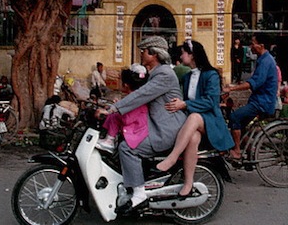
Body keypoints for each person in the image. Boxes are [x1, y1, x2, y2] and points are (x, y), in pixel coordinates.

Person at [99, 36, 186, 213]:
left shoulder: (163, 74)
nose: (140, 53)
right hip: (156, 124)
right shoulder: (155, 73)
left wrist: (114, 108)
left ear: (153, 54)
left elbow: (141, 95)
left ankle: (139, 193)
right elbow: (137, 93)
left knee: (127, 148)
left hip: (166, 128)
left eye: (143, 51)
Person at [155, 40, 233, 197]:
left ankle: (173, 157)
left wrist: (185, 104)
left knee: (195, 117)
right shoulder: (188, 76)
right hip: (195, 124)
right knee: (193, 138)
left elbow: (211, 102)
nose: (181, 55)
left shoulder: (211, 75)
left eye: (183, 52)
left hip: (211, 121)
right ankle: (188, 183)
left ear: (192, 55)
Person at [223, 32, 278, 160]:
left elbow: (254, 83)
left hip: (262, 102)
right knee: (239, 126)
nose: (251, 46)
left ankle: (236, 151)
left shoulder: (266, 61)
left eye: (253, 44)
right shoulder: (262, 59)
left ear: (261, 45)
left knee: (235, 117)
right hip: (258, 100)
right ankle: (250, 150)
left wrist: (233, 88)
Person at [96, 64, 149, 153]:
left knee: (114, 116)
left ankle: (110, 140)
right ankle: (108, 137)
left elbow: (127, 119)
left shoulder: (135, 99)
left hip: (136, 129)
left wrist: (116, 110)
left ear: (126, 85)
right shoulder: (135, 96)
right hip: (135, 124)